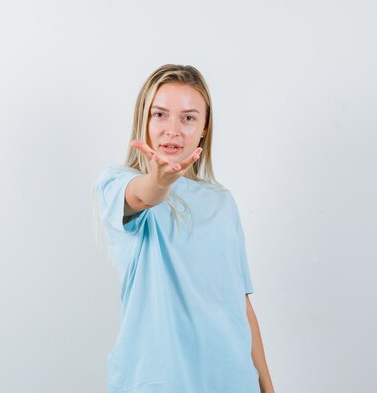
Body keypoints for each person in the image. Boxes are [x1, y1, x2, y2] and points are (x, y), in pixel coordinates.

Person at [94, 64, 275, 393]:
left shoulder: (223, 202)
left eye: (188, 117)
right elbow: (142, 195)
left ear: (205, 127)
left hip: (231, 382)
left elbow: (241, 305)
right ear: (144, 120)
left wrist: (267, 386)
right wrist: (159, 181)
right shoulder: (117, 184)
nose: (172, 130)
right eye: (160, 115)